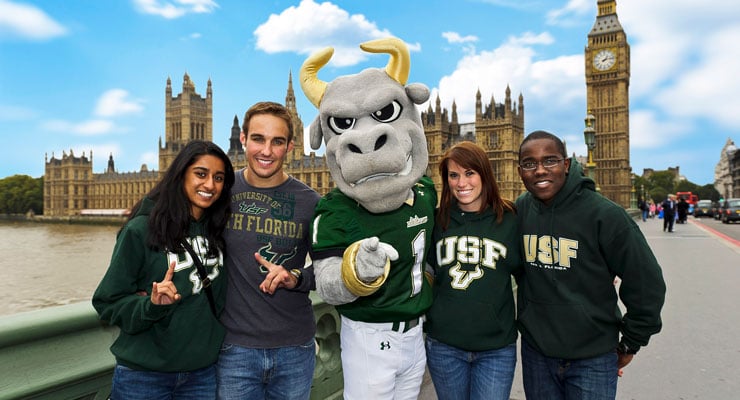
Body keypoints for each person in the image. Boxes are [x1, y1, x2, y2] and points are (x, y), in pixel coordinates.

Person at [515, 130, 666, 400]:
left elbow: (646, 281)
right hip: (537, 354)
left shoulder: (606, 215)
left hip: (593, 357)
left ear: (566, 164)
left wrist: (631, 341)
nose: (539, 170)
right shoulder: (520, 210)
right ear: (520, 171)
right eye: (529, 163)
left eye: (549, 160)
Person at [92, 140, 235, 400]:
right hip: (144, 376)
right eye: (200, 174)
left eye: (219, 178)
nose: (210, 185)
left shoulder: (220, 232)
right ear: (180, 174)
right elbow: (107, 301)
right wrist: (152, 306)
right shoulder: (141, 230)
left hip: (202, 374)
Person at [216, 101, 321, 400]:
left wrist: (296, 276)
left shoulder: (310, 201)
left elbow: (330, 266)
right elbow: (169, 221)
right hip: (234, 348)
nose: (266, 151)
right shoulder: (220, 192)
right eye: (258, 139)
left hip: (295, 348)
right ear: (243, 140)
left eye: (277, 142)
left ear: (291, 146)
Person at [424, 142, 521, 400]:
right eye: (453, 175)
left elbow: (536, 273)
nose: (461, 182)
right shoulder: (438, 220)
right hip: (444, 346)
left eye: (469, 173)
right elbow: (423, 271)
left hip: (496, 349)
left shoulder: (510, 219)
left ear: (484, 175)